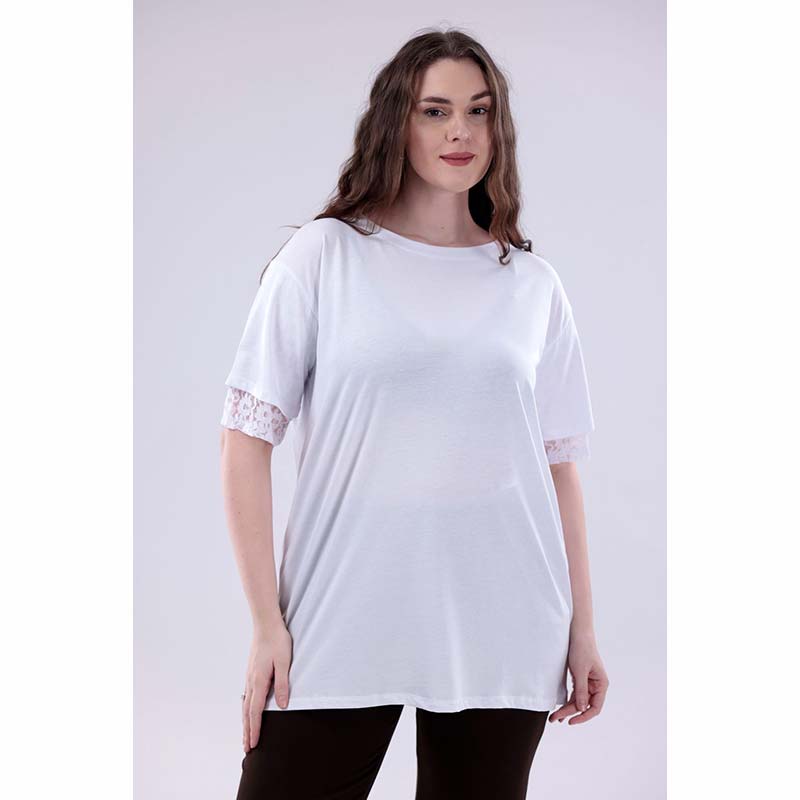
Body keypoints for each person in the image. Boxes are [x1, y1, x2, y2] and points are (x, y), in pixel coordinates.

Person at [220, 27, 609, 800]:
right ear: (396, 121)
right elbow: (244, 443)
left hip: (506, 622)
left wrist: (584, 629)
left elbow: (558, 469)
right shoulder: (324, 258)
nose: (460, 131)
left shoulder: (532, 285)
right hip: (340, 616)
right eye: (435, 111)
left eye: (478, 110)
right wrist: (267, 623)